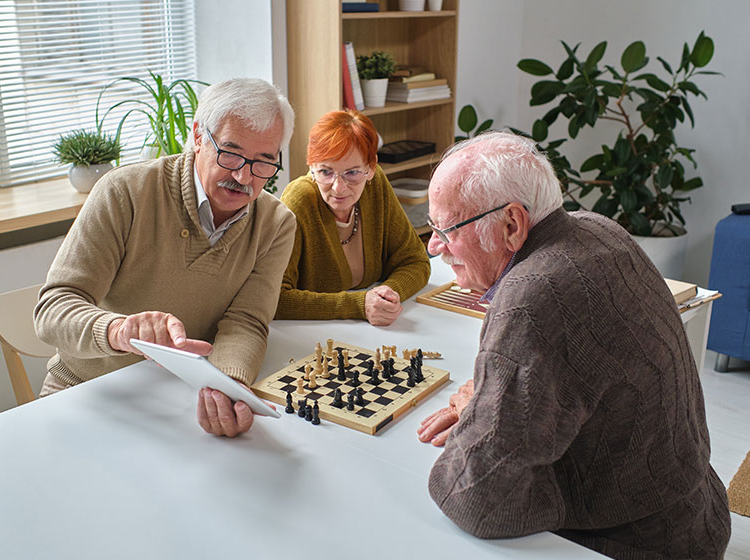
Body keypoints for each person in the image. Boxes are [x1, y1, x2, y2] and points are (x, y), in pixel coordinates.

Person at [417, 131, 730, 558]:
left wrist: (478, 411)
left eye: (446, 229)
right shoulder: (597, 227)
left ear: (512, 224)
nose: (435, 247)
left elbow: (472, 497)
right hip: (699, 517)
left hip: (634, 545)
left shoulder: (531, 299)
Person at [34, 78, 296, 437]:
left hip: (180, 398)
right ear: (199, 136)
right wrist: (119, 330)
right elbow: (53, 309)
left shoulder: (276, 224)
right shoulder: (125, 191)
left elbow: (246, 322)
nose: (243, 177)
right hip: (86, 390)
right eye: (231, 153)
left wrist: (226, 384)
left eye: (263, 162)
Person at [275, 110, 430, 326]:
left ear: (371, 168)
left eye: (352, 173)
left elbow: (416, 261)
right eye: (326, 172)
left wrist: (386, 295)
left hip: (371, 331)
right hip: (313, 336)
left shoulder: (375, 186)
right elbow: (276, 298)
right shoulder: (299, 200)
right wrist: (359, 305)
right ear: (311, 168)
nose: (338, 188)